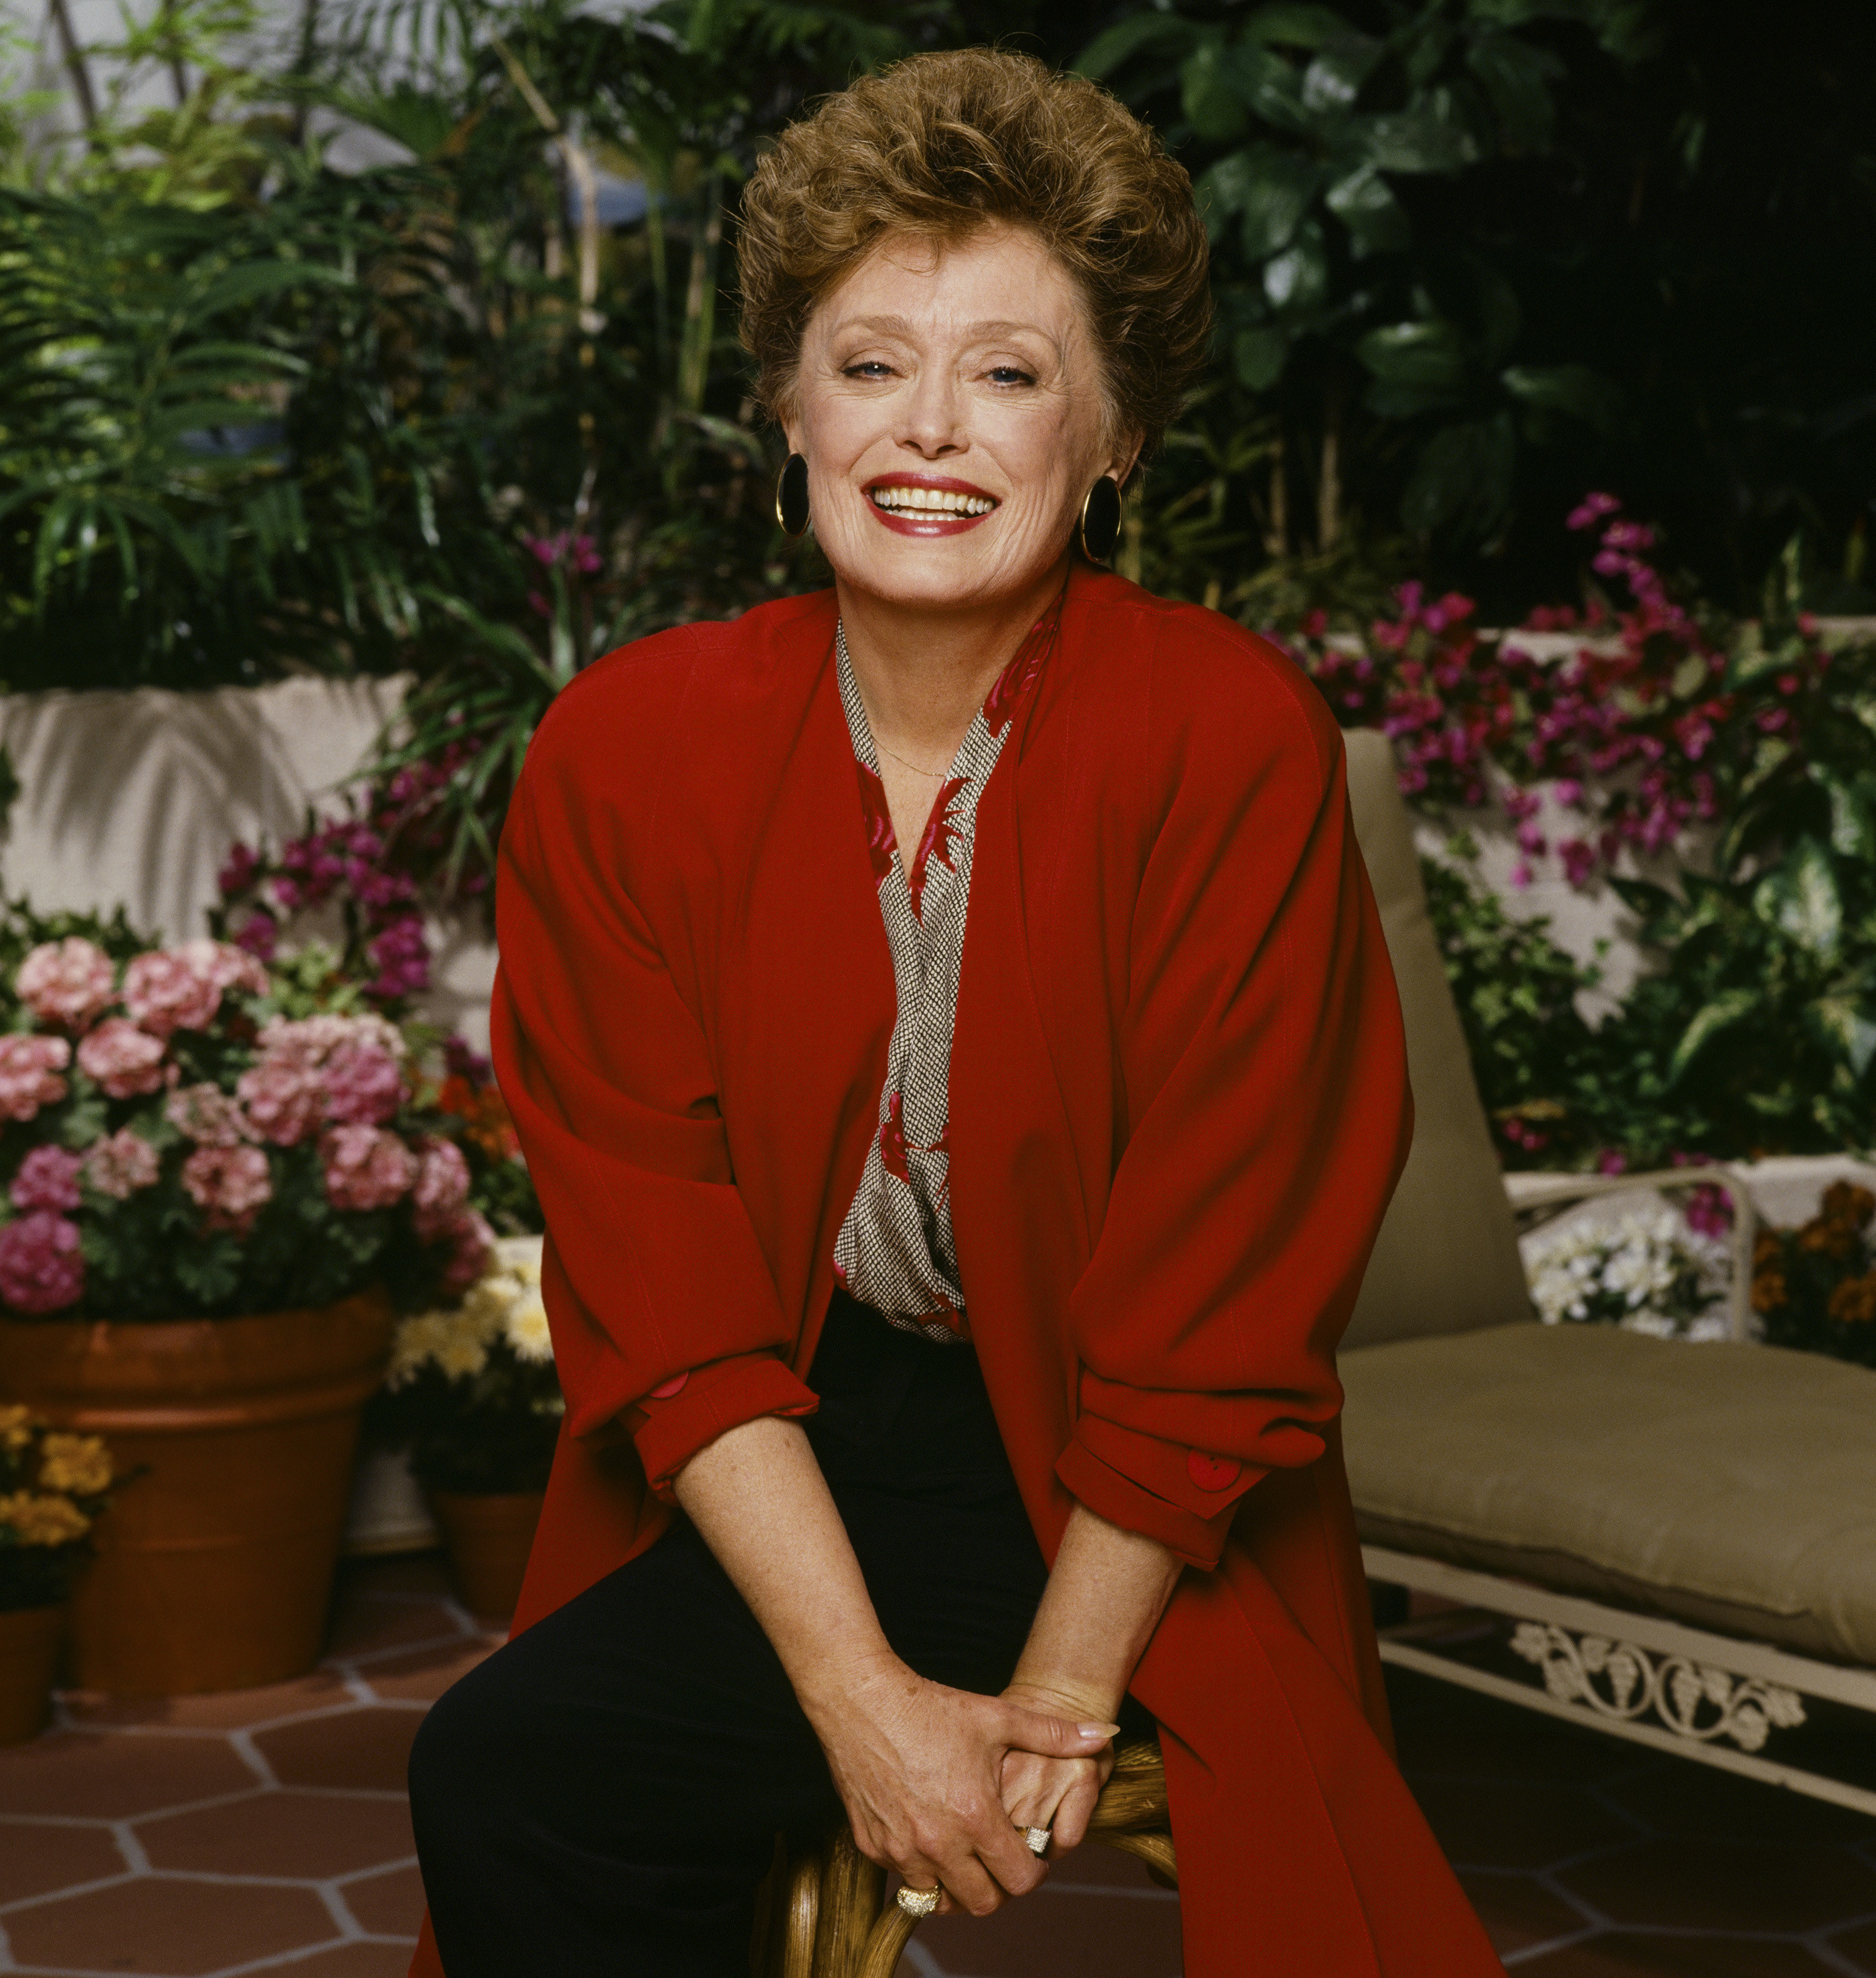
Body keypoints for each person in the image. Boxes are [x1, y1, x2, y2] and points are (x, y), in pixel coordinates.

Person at [408, 46, 1505, 1978]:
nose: (932, 430)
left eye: (1007, 370)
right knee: (514, 1766)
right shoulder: (624, 755)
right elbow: (664, 1283)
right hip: (802, 1435)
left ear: (1113, 439)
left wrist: (1055, 1708)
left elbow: (1219, 1297)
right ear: (786, 406)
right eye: (870, 362)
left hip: (1122, 1473)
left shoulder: (1232, 743)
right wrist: (861, 1698)